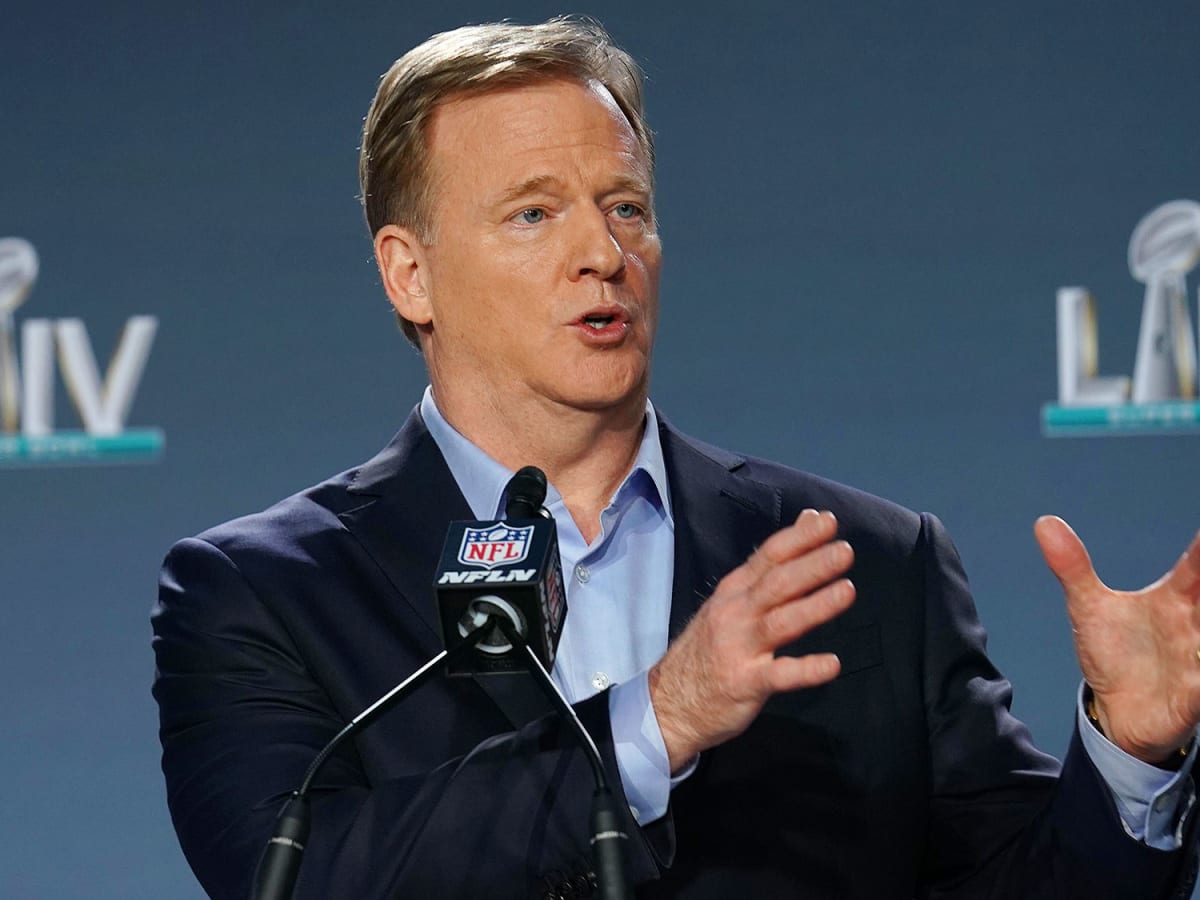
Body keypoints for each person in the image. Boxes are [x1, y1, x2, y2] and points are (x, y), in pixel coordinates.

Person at [152, 17, 1200, 899]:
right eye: (533, 213)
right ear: (409, 275)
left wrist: (1128, 756)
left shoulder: (863, 564)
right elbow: (296, 875)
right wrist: (654, 724)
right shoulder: (260, 593)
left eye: (626, 208)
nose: (603, 254)